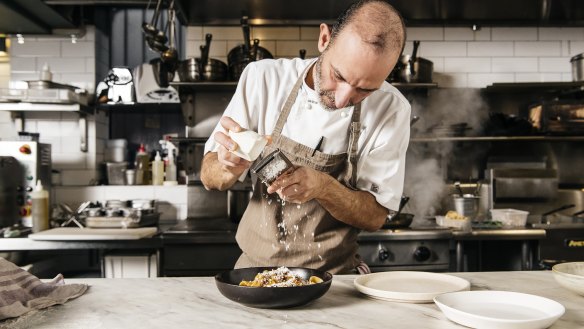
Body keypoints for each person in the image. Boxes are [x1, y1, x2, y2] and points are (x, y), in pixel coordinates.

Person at [201, 0, 410, 274]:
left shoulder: (391, 108)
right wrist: (228, 166)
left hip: (335, 279)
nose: (342, 99)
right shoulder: (263, 79)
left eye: (365, 90)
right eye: (339, 76)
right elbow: (208, 176)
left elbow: (375, 217)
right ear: (324, 38)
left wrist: (324, 187)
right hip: (254, 273)